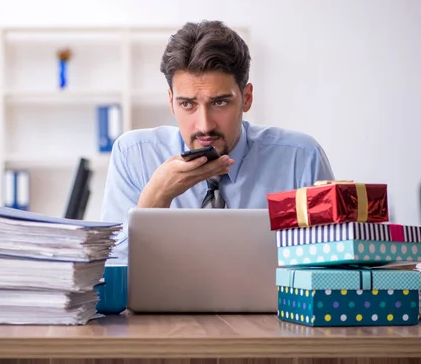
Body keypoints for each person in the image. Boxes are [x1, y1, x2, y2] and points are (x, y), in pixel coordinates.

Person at [101, 20, 335, 263]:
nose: (204, 125)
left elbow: (331, 268)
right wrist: (156, 199)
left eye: (220, 102)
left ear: (247, 98)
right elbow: (112, 273)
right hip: (159, 303)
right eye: (187, 104)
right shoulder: (134, 155)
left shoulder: (302, 158)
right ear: (171, 102)